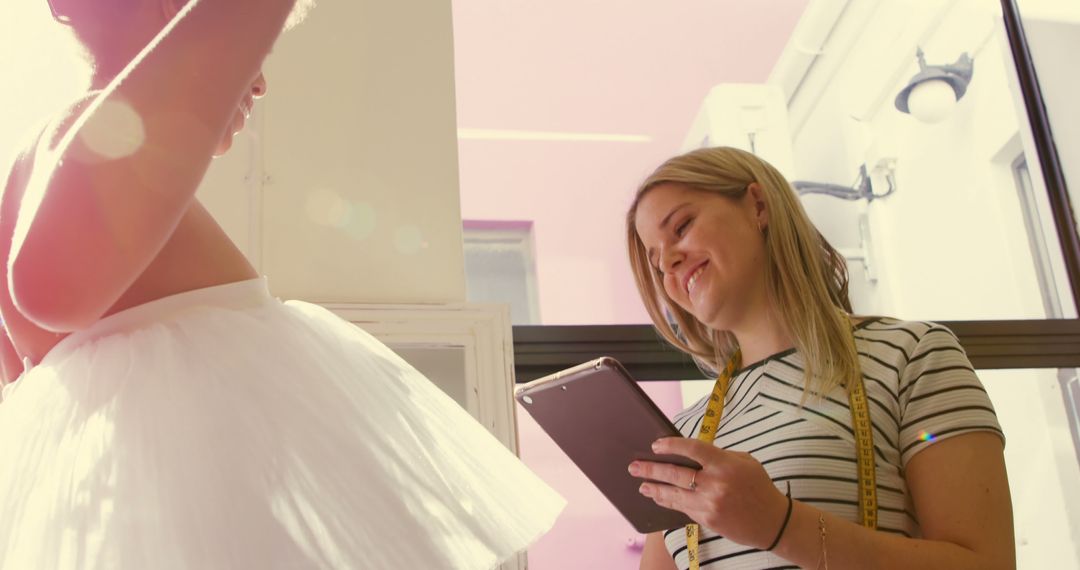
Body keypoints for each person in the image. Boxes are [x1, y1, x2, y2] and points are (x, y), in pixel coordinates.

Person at [0, 0, 563, 568]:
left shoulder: (29, 169)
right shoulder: (88, 135)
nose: (260, 82)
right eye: (252, 49)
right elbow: (50, 286)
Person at [625, 147, 1014, 569]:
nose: (669, 261)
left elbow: (989, 564)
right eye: (656, 260)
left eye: (681, 227)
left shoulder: (912, 358)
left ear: (757, 205)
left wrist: (781, 525)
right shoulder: (683, 437)